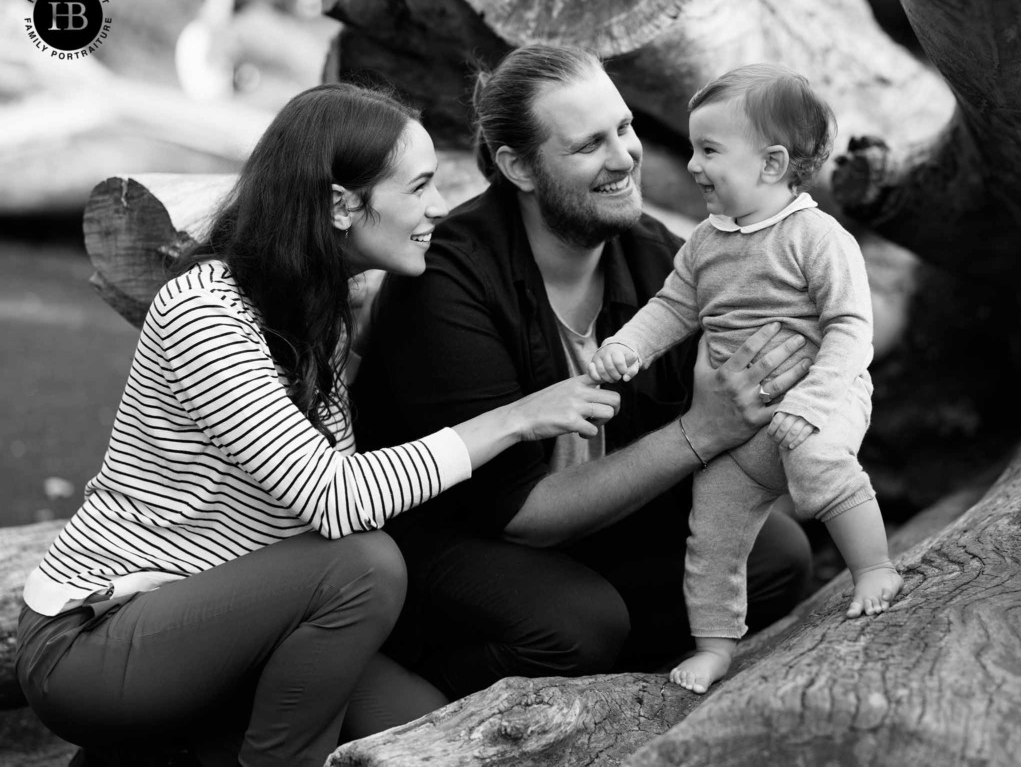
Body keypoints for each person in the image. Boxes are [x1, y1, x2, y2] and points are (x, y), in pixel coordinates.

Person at [15, 83, 619, 767]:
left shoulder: (317, 311)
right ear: (339, 205)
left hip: (237, 629)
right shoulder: (204, 313)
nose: (440, 207)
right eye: (420, 187)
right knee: (365, 565)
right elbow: (334, 501)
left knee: (424, 735)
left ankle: (152, 749)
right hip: (97, 639)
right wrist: (513, 420)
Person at [350, 45, 816, 701]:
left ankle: (616, 687)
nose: (625, 157)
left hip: (595, 531)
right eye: (589, 144)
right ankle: (420, 691)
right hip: (449, 539)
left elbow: (738, 424)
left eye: (624, 128)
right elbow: (521, 514)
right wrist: (700, 432)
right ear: (519, 167)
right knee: (577, 624)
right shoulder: (448, 283)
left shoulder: (661, 262)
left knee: (775, 559)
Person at [588, 63, 904, 694]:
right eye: (693, 149)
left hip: (823, 401)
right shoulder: (705, 243)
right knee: (713, 529)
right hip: (743, 429)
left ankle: (873, 569)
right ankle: (714, 646)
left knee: (818, 460)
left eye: (708, 150)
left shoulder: (815, 237)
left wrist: (813, 401)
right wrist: (627, 347)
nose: (695, 166)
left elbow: (849, 329)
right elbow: (674, 308)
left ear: (772, 163)